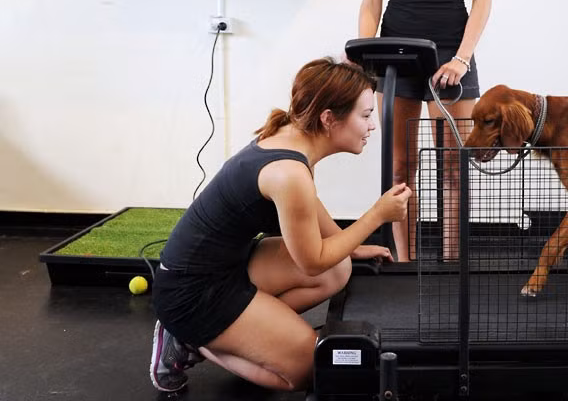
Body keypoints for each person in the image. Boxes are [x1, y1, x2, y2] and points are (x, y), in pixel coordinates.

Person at [149, 57, 412, 392]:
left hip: (228, 266)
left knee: (339, 268)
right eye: (365, 115)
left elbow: (311, 211)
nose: (372, 125)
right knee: (306, 368)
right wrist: (377, 215)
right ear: (329, 119)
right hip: (191, 293)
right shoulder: (289, 173)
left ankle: (245, 330)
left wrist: (353, 244)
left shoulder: (293, 138)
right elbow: (312, 260)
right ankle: (190, 339)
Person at [357, 0, 492, 262]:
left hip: (451, 54)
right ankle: (404, 264)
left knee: (453, 168)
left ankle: (452, 266)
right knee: (400, 169)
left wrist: (462, 59)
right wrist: (365, 59)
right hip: (395, 58)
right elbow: (370, 0)